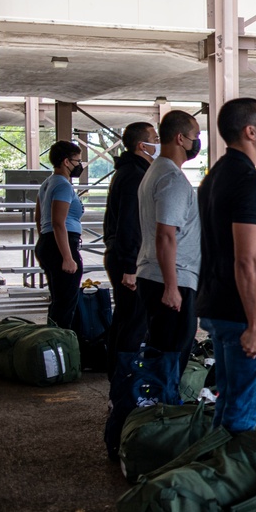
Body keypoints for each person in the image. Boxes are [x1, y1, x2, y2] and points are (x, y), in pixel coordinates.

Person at [196, 98, 256, 432]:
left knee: (230, 403)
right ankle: (231, 480)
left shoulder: (216, 177)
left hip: (221, 306)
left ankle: (215, 474)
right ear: (251, 132)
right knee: (244, 415)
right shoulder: (248, 183)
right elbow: (247, 259)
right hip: (244, 314)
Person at [136, 111, 202, 376]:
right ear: (180, 138)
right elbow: (165, 234)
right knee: (172, 355)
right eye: (195, 136)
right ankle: (165, 410)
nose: (197, 141)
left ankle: (158, 406)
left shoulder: (156, 170)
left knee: (163, 351)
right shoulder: (172, 179)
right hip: (171, 278)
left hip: (159, 275)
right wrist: (172, 287)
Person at [102, 121, 159, 377]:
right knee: (134, 320)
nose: (158, 141)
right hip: (130, 259)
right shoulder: (135, 176)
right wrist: (129, 266)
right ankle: (123, 376)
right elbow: (129, 223)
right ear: (142, 145)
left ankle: (116, 370)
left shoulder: (129, 171)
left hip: (125, 255)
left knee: (126, 318)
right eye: (154, 138)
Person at [34, 140, 86, 329]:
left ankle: (54, 339)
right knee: (66, 302)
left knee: (58, 299)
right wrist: (67, 256)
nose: (79, 165)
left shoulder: (47, 183)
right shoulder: (63, 185)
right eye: (77, 160)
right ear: (66, 161)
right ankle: (61, 343)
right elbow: (58, 222)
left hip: (48, 243)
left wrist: (45, 241)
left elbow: (39, 218)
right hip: (62, 245)